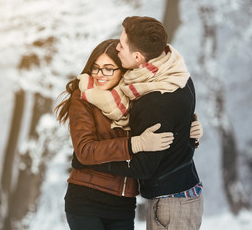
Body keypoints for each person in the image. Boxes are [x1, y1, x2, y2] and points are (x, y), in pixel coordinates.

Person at [55, 38, 202, 230]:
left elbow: (161, 128)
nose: (100, 74)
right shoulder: (83, 97)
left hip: (123, 205)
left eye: (108, 68)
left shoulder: (137, 97)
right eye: (96, 68)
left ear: (123, 70)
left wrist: (187, 133)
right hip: (86, 201)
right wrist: (135, 144)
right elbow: (85, 150)